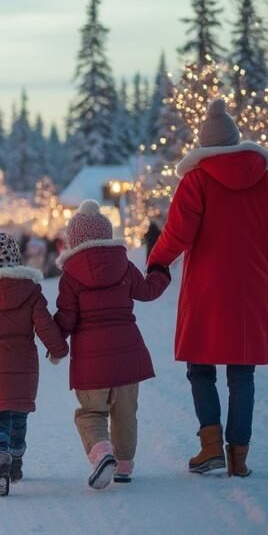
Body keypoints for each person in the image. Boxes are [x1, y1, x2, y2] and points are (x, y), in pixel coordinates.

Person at [148, 99, 268, 478]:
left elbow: (178, 233)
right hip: (254, 290)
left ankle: (210, 447)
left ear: (205, 146)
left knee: (200, 368)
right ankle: (239, 457)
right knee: (242, 374)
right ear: (235, 141)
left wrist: (158, 260)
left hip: (208, 289)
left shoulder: (196, 181)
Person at [54, 200, 171, 488]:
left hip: (90, 361)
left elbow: (67, 317)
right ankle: (124, 465)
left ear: (73, 239)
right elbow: (147, 291)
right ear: (106, 234)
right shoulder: (124, 265)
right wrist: (161, 273)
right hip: (128, 355)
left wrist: (54, 341)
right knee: (125, 413)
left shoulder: (70, 275)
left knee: (91, 413)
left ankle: (102, 454)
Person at [0, 215, 68, 497]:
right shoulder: (30, 290)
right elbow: (45, 325)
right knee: (18, 417)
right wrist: (58, 349)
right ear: (15, 257)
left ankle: (0, 455)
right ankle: (15, 461)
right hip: (24, 368)